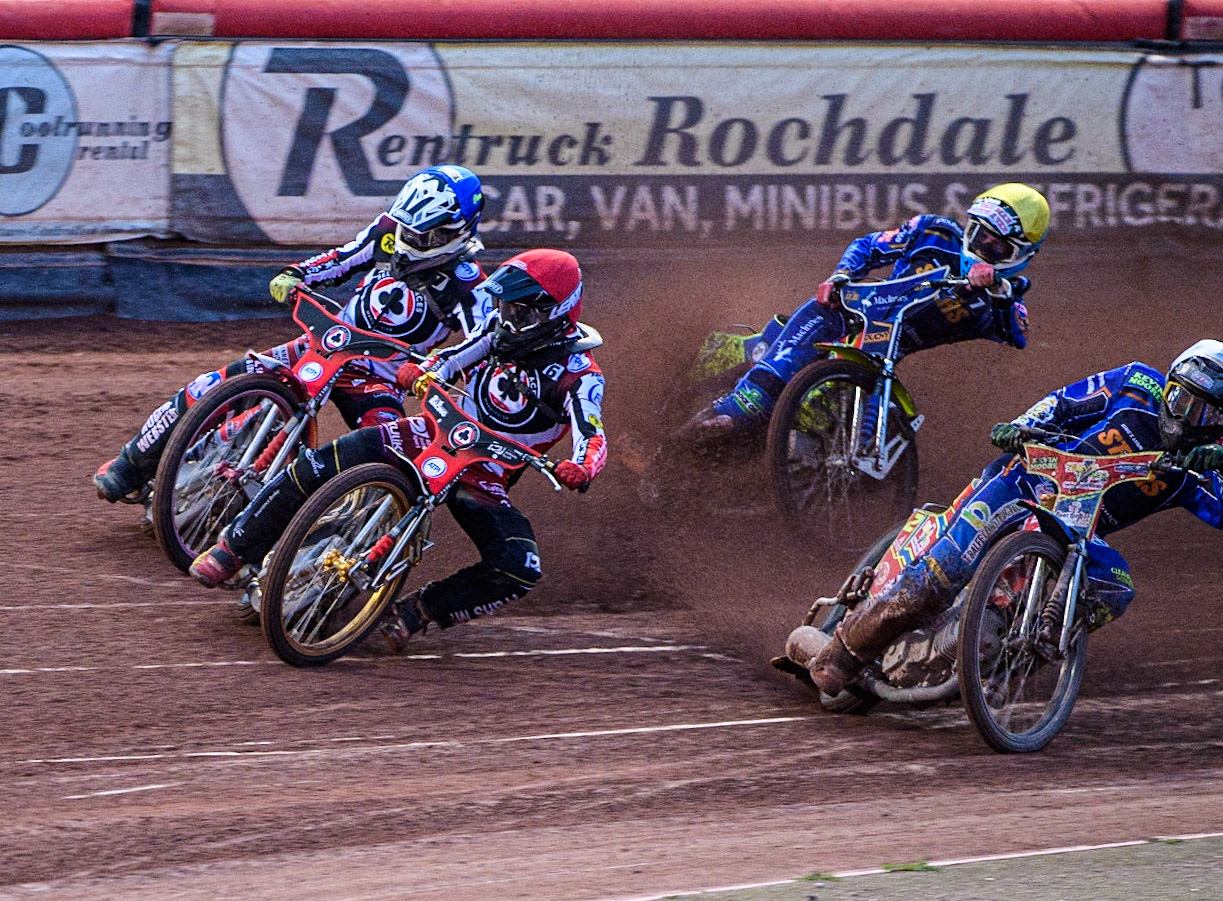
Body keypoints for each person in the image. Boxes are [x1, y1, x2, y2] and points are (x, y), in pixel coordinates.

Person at [188, 248, 607, 653]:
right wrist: (423, 370)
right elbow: (453, 357)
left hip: (484, 474)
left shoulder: (581, 375)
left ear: (554, 312)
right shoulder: (499, 331)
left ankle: (419, 611)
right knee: (319, 463)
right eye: (506, 307)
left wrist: (582, 466)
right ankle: (234, 548)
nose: (509, 319)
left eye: (521, 312)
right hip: (429, 432)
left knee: (519, 566)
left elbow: (592, 435)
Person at [793, 340, 1223, 696]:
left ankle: (1011, 662)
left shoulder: (1207, 464)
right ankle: (841, 655)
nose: (1185, 416)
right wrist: (1020, 427)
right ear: (1167, 384)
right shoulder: (1137, 384)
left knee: (1115, 585)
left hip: (1076, 533)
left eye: (1203, 411)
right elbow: (1063, 403)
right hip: (1024, 483)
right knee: (942, 573)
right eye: (1180, 398)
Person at [93, 164, 489, 505]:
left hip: (377, 381)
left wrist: (442, 380)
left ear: (454, 233)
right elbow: (343, 258)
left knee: (387, 463)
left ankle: (323, 540)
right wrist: (298, 273)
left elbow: (480, 351)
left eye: (422, 236)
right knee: (211, 385)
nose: (408, 241)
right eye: (406, 229)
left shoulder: (470, 286)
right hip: (324, 344)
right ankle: (131, 464)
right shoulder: (390, 231)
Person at [694, 183, 1049, 434]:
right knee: (803, 329)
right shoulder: (933, 232)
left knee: (850, 419)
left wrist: (997, 289)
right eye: (979, 234)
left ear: (1022, 254)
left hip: (883, 356)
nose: (984, 246)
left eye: (997, 246)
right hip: (855, 314)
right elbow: (868, 246)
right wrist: (842, 275)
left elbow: (1016, 335)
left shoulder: (1008, 296)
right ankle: (738, 406)